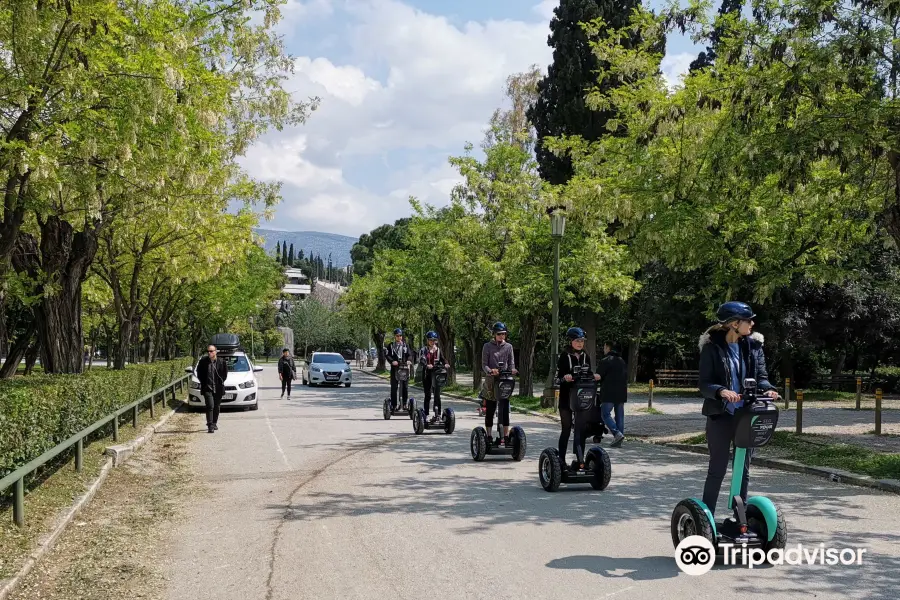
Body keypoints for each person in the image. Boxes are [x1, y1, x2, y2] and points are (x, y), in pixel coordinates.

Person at [698, 301, 779, 516]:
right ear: (734, 324)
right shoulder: (711, 348)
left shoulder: (753, 347)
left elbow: (761, 378)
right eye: (748, 320)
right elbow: (704, 384)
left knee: (742, 470)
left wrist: (768, 390)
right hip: (721, 415)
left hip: (747, 415)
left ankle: (738, 518)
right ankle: (706, 519)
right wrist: (720, 391)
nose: (752, 323)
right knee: (718, 469)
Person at [555, 326, 602, 470]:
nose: (580, 343)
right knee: (567, 429)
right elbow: (558, 378)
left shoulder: (585, 356)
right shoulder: (564, 356)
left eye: (582, 341)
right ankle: (561, 461)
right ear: (571, 341)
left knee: (580, 430)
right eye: (577, 341)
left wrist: (594, 376)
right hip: (566, 398)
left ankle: (579, 460)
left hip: (581, 396)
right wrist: (566, 377)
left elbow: (588, 373)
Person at [481, 321, 518, 446]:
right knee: (490, 409)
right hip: (491, 381)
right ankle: (489, 435)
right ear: (494, 334)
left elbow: (511, 362)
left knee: (504, 409)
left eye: (503, 334)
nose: (502, 336)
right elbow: (484, 364)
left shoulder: (509, 347)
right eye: (499, 334)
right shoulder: (487, 346)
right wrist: (490, 371)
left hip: (505, 380)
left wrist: (513, 369)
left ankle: (505, 436)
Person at [597, 341, 628, 447]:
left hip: (609, 392)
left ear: (608, 348)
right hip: (621, 392)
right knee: (620, 416)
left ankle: (617, 433)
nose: (603, 349)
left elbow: (599, 376)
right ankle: (619, 439)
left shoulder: (605, 361)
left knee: (605, 414)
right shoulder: (622, 361)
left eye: (604, 347)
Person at [196, 344, 228, 433]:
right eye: (208, 351)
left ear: (215, 351)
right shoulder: (203, 361)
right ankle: (210, 425)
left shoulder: (221, 361)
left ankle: (214, 423)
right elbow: (199, 374)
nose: (209, 353)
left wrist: (220, 382)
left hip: (218, 387)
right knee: (210, 406)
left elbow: (224, 375)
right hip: (207, 388)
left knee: (217, 407)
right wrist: (204, 383)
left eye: (211, 351)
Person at [419, 331, 446, 422]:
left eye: (434, 340)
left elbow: (442, 358)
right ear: (427, 340)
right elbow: (422, 359)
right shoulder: (424, 350)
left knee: (437, 395)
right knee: (428, 395)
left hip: (436, 374)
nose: (432, 342)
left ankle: (437, 414)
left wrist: (446, 364)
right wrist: (426, 365)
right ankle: (426, 414)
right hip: (427, 374)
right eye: (431, 340)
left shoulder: (438, 350)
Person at [384, 328, 412, 411]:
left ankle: (404, 404)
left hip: (404, 368)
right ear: (395, 336)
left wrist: (409, 361)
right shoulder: (391, 345)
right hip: (395, 368)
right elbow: (388, 355)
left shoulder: (405, 345)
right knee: (394, 387)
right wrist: (392, 361)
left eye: (400, 336)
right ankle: (394, 405)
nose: (399, 337)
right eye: (397, 336)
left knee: (405, 387)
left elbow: (410, 355)